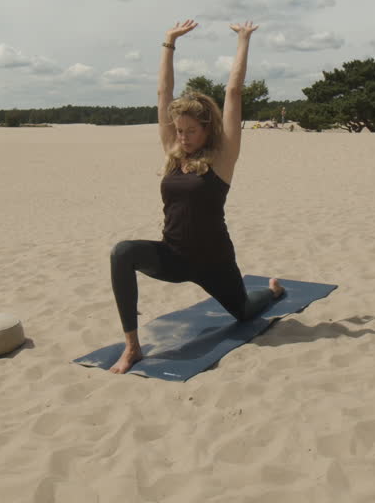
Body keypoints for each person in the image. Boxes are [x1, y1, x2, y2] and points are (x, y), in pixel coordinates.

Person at [107, 19, 285, 374]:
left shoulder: (223, 159)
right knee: (123, 252)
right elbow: (163, 95)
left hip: (214, 263)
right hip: (173, 257)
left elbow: (233, 94)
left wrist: (243, 40)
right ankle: (132, 347)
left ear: (207, 129)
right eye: (179, 130)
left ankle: (274, 291)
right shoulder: (173, 151)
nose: (183, 137)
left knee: (247, 309)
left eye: (191, 131)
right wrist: (168, 42)